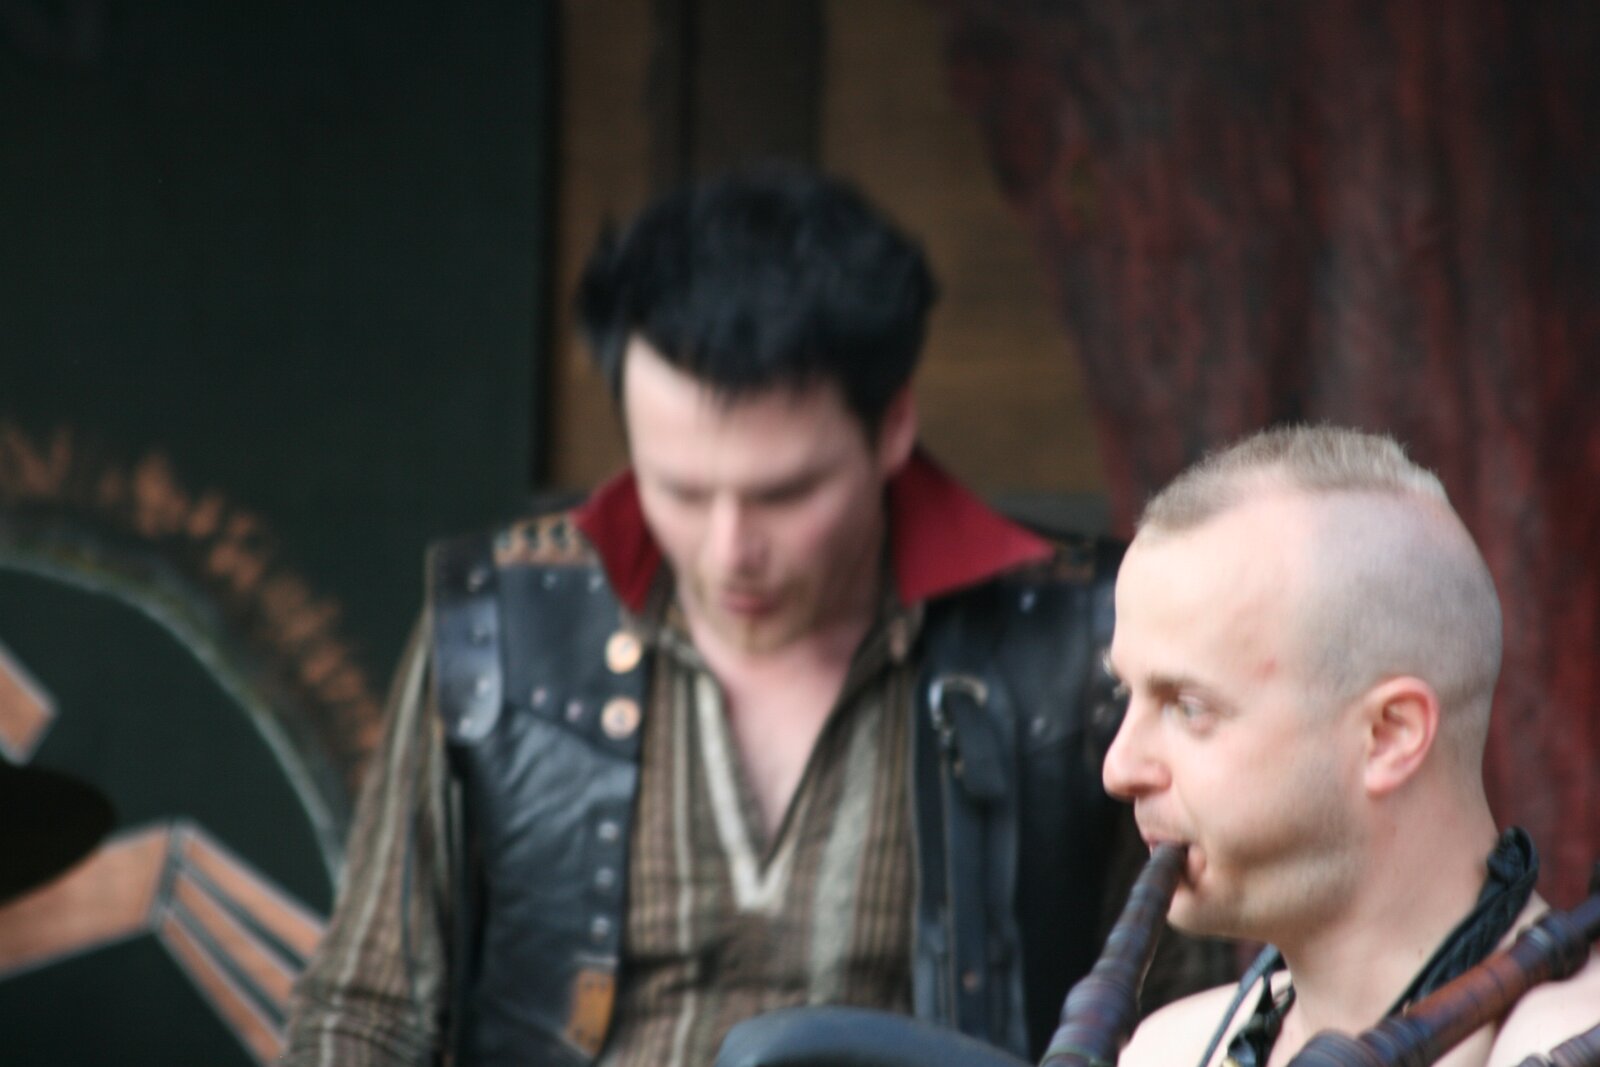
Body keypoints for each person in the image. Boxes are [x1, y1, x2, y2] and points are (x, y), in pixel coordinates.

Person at [282, 167, 1214, 1067]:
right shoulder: (502, 624)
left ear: (893, 428)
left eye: (784, 493)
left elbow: (1190, 1019)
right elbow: (366, 1012)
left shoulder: (1088, 643)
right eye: (681, 489)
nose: (729, 548)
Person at [1104, 425, 1600, 1066]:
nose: (1119, 767)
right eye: (1125, 694)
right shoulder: (1165, 1052)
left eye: (1189, 707)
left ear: (1390, 735)